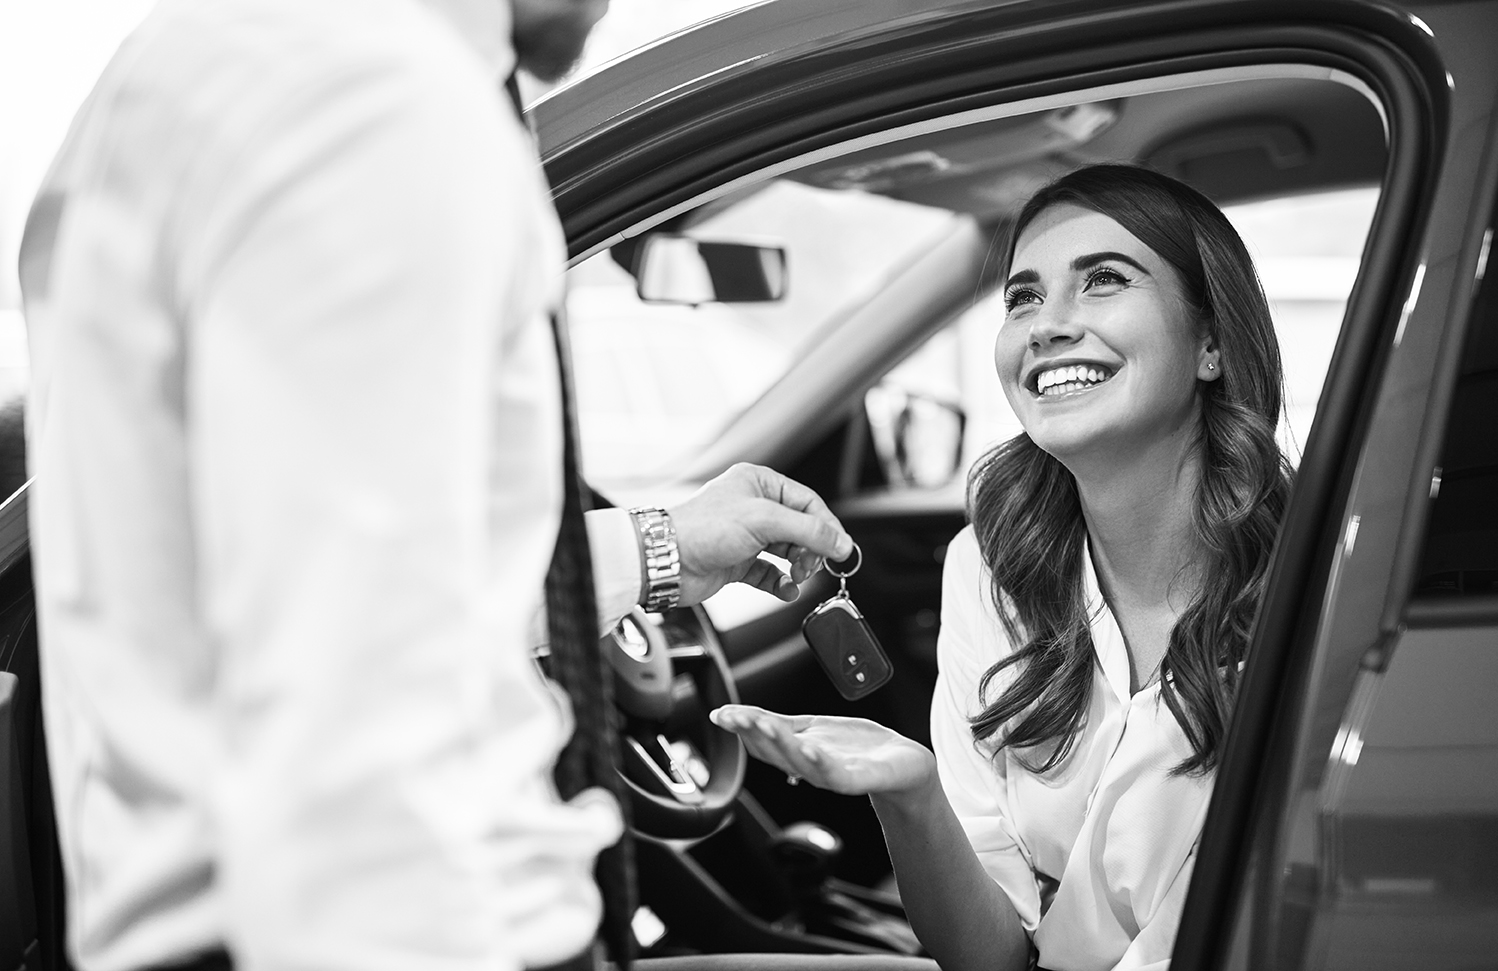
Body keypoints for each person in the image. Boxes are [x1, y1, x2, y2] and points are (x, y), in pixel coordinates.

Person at [16, 1, 856, 971]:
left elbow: (368, 579)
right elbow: (358, 719)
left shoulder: (197, 64)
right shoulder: (378, 98)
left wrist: (659, 546)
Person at [713, 163, 1292, 971]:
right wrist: (910, 794)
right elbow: (988, 958)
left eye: (1103, 281)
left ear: (1212, 342)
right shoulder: (989, 565)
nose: (1045, 326)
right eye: (1023, 296)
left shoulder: (1310, 585)